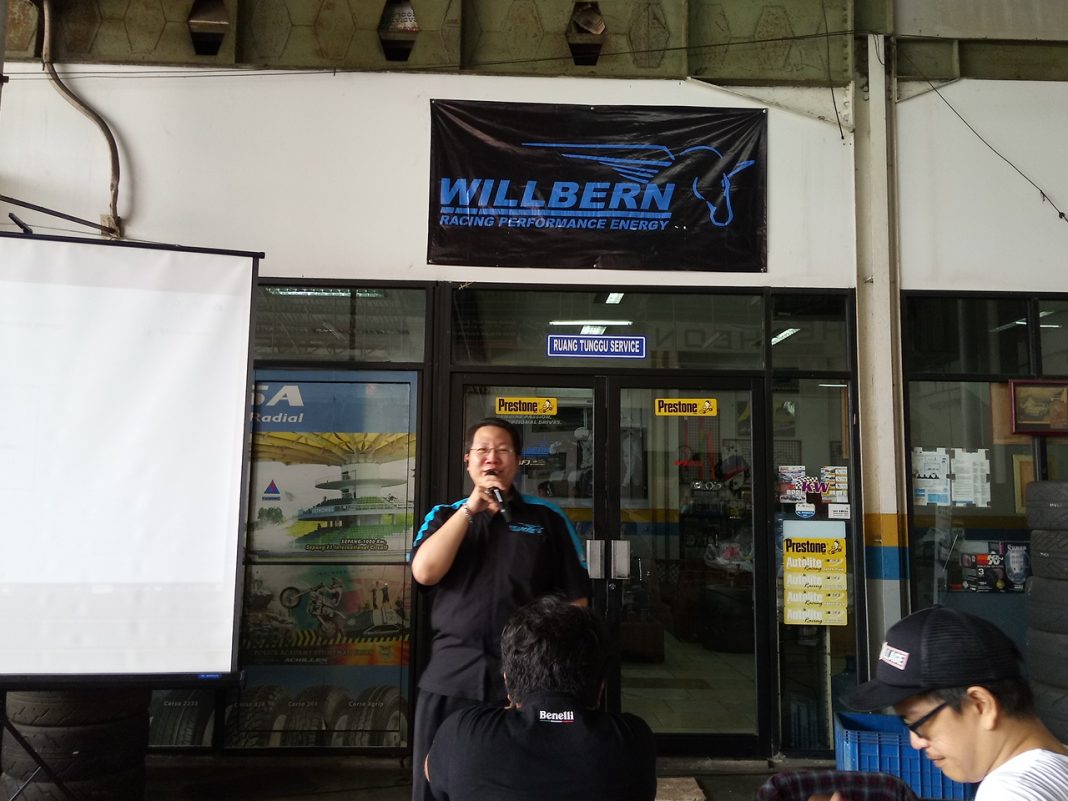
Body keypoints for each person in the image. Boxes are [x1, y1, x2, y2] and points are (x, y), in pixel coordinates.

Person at [409, 417, 591, 801]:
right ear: (468, 460)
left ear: (517, 461)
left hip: (526, 685)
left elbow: (577, 602)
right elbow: (425, 573)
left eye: (503, 450)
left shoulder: (548, 519)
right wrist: (470, 509)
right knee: (435, 786)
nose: (492, 457)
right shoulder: (443, 515)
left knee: (517, 787)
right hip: (452, 677)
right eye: (483, 450)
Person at [810, 605, 1068, 801]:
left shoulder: (1009, 792)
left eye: (918, 723)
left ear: (981, 705)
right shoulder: (1054, 768)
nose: (916, 741)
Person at [425, 595, 656, 801]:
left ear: (507, 682)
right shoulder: (633, 740)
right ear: (600, 688)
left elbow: (431, 771)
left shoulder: (463, 732)